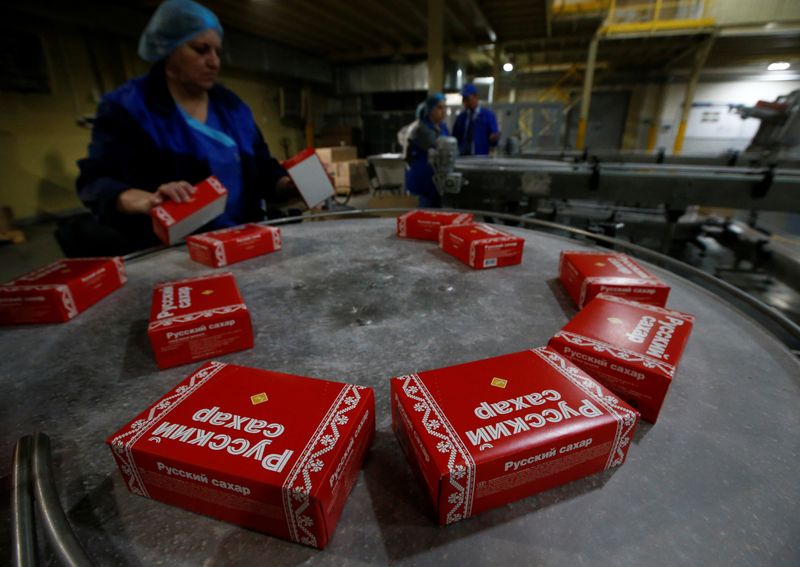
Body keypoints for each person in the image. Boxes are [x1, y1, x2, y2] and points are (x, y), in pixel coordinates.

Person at [76, 0, 294, 252]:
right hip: (176, 253)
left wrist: (285, 184)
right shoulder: (128, 108)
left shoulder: (232, 108)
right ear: (168, 49)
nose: (214, 62)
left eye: (217, 52)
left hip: (242, 241)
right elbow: (95, 182)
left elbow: (262, 168)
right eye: (201, 49)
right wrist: (148, 200)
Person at [404, 94, 449, 208]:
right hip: (421, 183)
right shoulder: (421, 128)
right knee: (423, 217)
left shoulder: (443, 128)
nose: (443, 111)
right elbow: (436, 145)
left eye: (444, 107)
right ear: (430, 110)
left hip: (437, 184)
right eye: (439, 107)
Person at [452, 83, 500, 156]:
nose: (465, 102)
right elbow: (455, 137)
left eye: (467, 99)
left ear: (476, 97)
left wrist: (494, 138)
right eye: (463, 99)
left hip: (481, 157)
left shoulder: (488, 116)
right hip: (462, 156)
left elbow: (494, 137)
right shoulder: (461, 117)